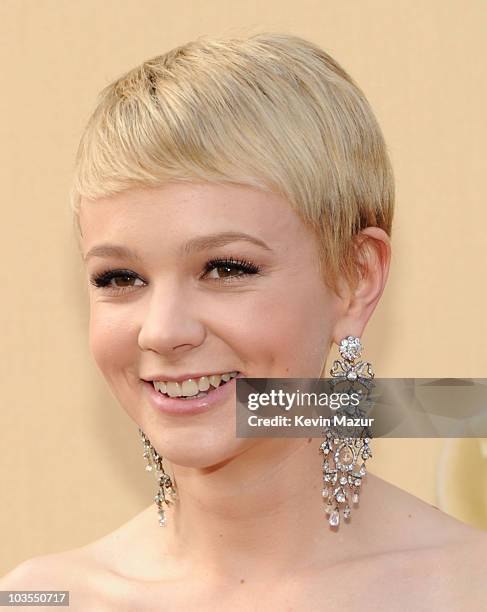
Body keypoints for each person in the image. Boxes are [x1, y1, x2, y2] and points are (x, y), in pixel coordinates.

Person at [2, 32, 486, 610]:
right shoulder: (41, 597)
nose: (161, 331)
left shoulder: (465, 587)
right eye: (120, 278)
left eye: (226, 268)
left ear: (356, 278)